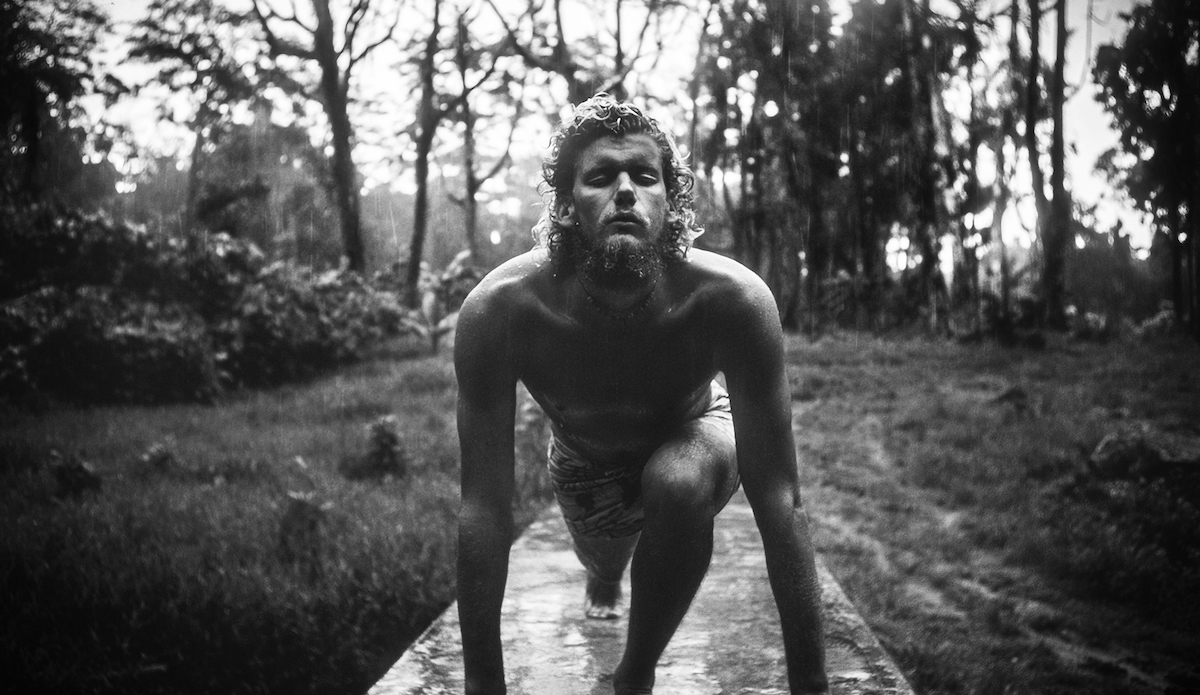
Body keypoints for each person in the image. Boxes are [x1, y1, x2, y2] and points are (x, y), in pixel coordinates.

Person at [454, 93, 829, 695]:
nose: (625, 191)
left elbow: (781, 500)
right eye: (601, 176)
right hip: (582, 461)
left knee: (677, 482)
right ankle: (604, 576)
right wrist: (482, 684)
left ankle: (634, 674)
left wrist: (812, 684)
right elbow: (483, 507)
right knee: (604, 562)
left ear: (671, 201)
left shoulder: (732, 301)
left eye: (644, 176)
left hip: (695, 427)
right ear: (567, 205)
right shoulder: (502, 310)